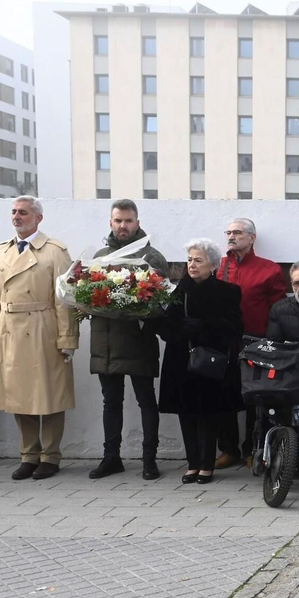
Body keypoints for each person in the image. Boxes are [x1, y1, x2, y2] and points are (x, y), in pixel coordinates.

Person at [0, 196, 77, 480]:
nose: (16, 217)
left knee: (48, 395)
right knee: (18, 396)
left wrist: (67, 339)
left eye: (23, 212)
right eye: (13, 212)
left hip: (42, 329)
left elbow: (65, 300)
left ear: (38, 218)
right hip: (10, 330)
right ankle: (28, 454)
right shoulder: (1, 252)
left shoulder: (55, 251)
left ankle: (50, 455)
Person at [152, 239, 244, 484]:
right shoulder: (176, 292)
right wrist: (180, 331)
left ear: (213, 265)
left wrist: (202, 328)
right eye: (190, 260)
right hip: (180, 360)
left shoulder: (228, 292)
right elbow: (163, 326)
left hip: (209, 362)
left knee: (208, 414)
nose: (192, 265)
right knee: (186, 412)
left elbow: (234, 327)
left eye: (198, 260)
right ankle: (192, 464)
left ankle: (206, 465)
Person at [88, 200, 165, 481]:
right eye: (118, 220)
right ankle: (111, 458)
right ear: (111, 222)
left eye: (128, 220)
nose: (123, 226)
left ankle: (149, 460)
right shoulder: (99, 255)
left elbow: (159, 304)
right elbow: (86, 297)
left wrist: (120, 307)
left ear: (137, 222)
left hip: (138, 340)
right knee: (111, 402)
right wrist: (95, 303)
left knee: (146, 401)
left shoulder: (151, 257)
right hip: (105, 343)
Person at [217, 217, 289, 467]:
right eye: (228, 232)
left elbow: (278, 309)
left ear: (252, 237)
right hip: (223, 342)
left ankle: (252, 448)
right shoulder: (219, 265)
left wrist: (272, 343)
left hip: (256, 342)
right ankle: (228, 449)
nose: (231, 236)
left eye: (237, 232)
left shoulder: (269, 269)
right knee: (223, 395)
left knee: (254, 397)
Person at [251, 261, 299, 463]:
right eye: (296, 283)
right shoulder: (279, 310)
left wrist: (298, 350)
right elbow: (275, 346)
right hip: (289, 367)